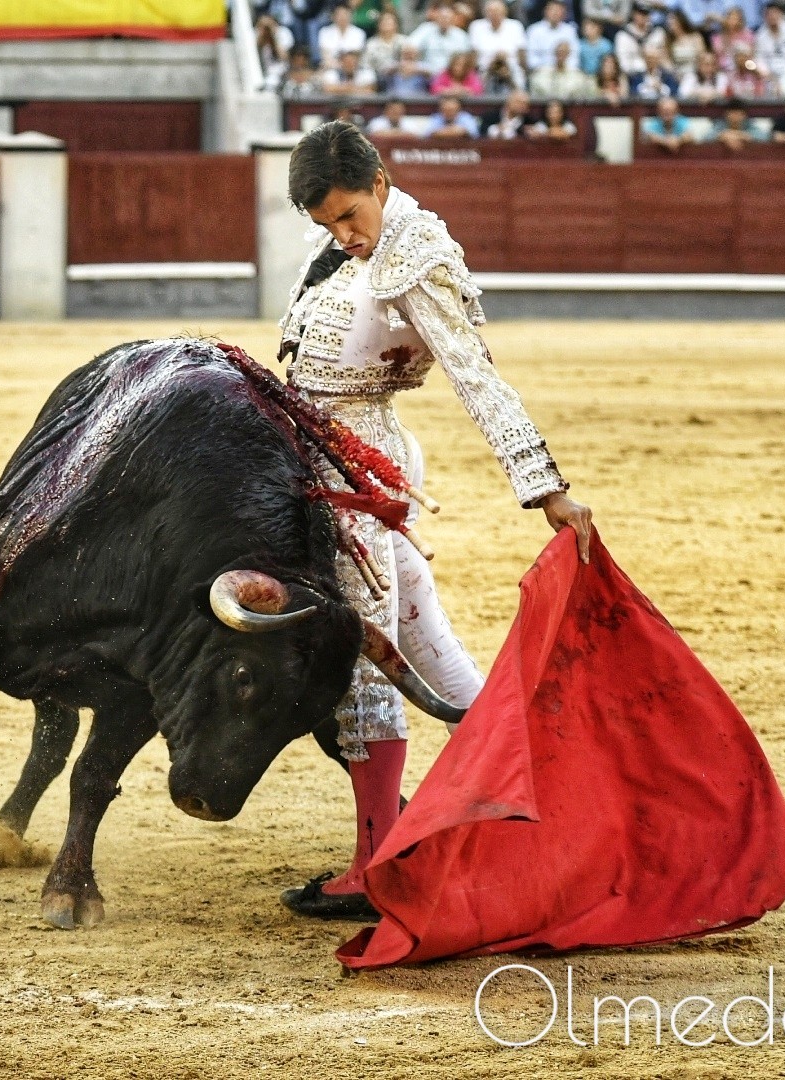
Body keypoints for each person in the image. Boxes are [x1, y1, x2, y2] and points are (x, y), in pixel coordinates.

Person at [277, 121, 591, 918]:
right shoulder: (359, 247)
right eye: (327, 225)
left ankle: (374, 864)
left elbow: (476, 378)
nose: (344, 237)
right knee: (421, 636)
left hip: (358, 471)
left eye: (350, 216)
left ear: (379, 184)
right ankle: (527, 802)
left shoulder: (414, 257)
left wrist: (543, 486)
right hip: (331, 460)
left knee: (366, 654)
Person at [409, 2, 473, 76]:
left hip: (452, 76)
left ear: (453, 19)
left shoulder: (461, 35)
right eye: (442, 17)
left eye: (447, 18)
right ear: (436, 18)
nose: (444, 20)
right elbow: (410, 45)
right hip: (426, 73)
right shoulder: (426, 29)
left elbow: (466, 58)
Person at [468, 0, 528, 75]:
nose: (494, 14)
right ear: (485, 13)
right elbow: (473, 53)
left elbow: (521, 52)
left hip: (510, 67)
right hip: (484, 67)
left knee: (512, 72)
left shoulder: (515, 25)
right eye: (490, 11)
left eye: (497, 11)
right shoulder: (476, 26)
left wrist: (525, 70)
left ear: (505, 12)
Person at [615, 2, 668, 77]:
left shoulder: (657, 32)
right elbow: (623, 64)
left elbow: (663, 58)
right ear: (633, 14)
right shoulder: (623, 35)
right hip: (634, 75)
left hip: (656, 75)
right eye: (640, 13)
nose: (643, 17)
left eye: (646, 13)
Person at [526, 1, 582, 72]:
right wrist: (549, 68)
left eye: (559, 10)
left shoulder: (570, 30)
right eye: (553, 10)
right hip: (542, 70)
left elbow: (575, 55)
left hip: (566, 70)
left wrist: (564, 68)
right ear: (545, 11)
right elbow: (531, 58)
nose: (555, 13)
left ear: (564, 14)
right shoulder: (534, 30)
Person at [531, 41, 598, 96]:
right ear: (554, 53)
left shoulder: (577, 75)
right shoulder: (541, 73)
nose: (561, 55)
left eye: (563, 52)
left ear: (568, 54)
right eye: (559, 52)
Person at [362, 10, 406, 89]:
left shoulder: (404, 41)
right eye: (384, 20)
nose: (386, 22)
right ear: (378, 25)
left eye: (389, 20)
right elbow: (366, 65)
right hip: (378, 76)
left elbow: (409, 62)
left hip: (400, 75)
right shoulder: (371, 44)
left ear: (396, 24)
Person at [318, 3, 368, 69]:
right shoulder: (324, 32)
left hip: (354, 68)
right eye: (339, 14)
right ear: (333, 16)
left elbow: (357, 56)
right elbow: (325, 56)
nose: (342, 17)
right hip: (331, 67)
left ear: (351, 15)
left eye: (345, 14)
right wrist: (338, 66)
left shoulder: (359, 33)